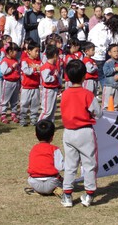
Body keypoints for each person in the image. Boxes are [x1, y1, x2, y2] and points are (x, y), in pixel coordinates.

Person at [60, 59, 102, 208]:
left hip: (69, 132)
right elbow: (98, 113)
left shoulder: (65, 94)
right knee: (89, 164)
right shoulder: (87, 94)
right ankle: (89, 195)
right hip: (85, 132)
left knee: (70, 164)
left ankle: (67, 195)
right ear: (84, 76)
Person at [27, 120, 64, 196]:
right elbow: (60, 167)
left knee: (30, 179)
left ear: (36, 135)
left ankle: (38, 190)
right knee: (62, 180)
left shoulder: (34, 148)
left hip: (34, 182)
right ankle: (55, 189)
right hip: (51, 182)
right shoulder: (54, 149)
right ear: (52, 136)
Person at [87, 14, 118, 88]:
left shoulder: (112, 32)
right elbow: (91, 37)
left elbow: (113, 43)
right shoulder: (100, 27)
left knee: (103, 74)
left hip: (105, 54)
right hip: (97, 55)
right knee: (101, 75)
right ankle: (106, 91)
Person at [20, 41, 41, 126]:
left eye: (38, 51)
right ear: (29, 51)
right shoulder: (25, 61)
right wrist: (35, 69)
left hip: (36, 87)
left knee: (35, 104)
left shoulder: (39, 62)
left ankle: (33, 118)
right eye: (35, 51)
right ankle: (22, 118)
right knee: (24, 103)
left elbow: (41, 71)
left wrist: (37, 69)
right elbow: (26, 71)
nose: (37, 53)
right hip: (26, 87)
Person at [0, 42, 21, 124]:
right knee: (5, 99)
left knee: (15, 100)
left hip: (16, 82)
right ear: (10, 51)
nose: (16, 53)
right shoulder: (5, 61)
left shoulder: (15, 60)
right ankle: (3, 114)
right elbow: (4, 71)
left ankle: (13, 113)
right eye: (15, 51)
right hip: (8, 82)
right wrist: (12, 67)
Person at [102, 44, 118, 110]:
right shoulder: (108, 63)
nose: (116, 53)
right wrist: (114, 69)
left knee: (116, 104)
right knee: (106, 104)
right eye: (114, 51)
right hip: (109, 86)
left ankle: (114, 114)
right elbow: (105, 72)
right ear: (109, 53)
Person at [39, 45, 61, 122]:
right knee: (46, 111)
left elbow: (58, 77)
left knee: (53, 109)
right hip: (48, 90)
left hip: (54, 89)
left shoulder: (53, 66)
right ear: (55, 55)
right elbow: (46, 79)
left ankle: (50, 125)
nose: (58, 58)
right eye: (58, 56)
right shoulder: (46, 67)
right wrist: (54, 76)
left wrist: (59, 85)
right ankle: (40, 125)